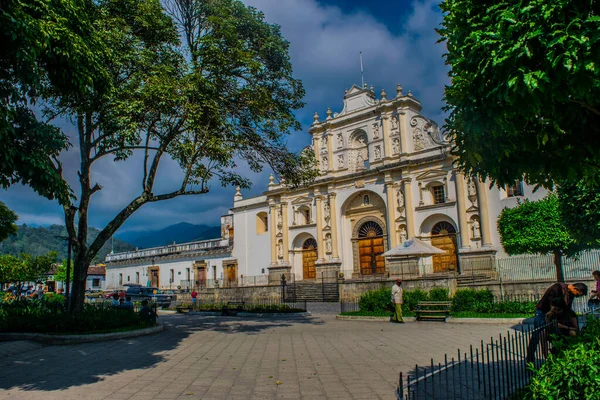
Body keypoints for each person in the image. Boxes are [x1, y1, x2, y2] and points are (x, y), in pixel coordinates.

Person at [526, 282, 587, 362]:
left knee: (557, 334)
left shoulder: (570, 294)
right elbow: (551, 304)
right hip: (543, 312)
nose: (577, 296)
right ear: (575, 288)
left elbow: (566, 309)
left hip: (555, 313)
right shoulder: (558, 288)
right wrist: (551, 315)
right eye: (578, 294)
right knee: (537, 334)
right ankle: (530, 359)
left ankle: (555, 356)